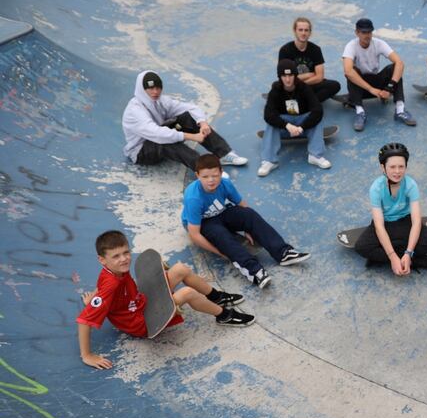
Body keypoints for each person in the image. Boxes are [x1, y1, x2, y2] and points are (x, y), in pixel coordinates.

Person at [77, 230, 255, 370]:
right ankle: (224, 315)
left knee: (179, 269)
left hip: (140, 301)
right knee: (186, 293)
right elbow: (85, 320)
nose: (124, 259)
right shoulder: (111, 285)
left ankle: (217, 297)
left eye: (126, 252)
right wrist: (87, 355)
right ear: (102, 260)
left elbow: (104, 289)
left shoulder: (113, 271)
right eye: (116, 256)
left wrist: (95, 300)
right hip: (140, 322)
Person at [182, 154, 310, 288]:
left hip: (221, 212)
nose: (211, 180)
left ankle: (283, 253)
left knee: (249, 214)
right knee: (221, 234)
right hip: (203, 223)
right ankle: (254, 271)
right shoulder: (193, 198)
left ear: (221, 172)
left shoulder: (225, 184)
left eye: (215, 175)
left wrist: (247, 228)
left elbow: (243, 205)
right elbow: (194, 235)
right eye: (205, 177)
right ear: (197, 176)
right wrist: (221, 253)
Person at [122, 70, 248, 171]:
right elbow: (157, 134)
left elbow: (190, 108)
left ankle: (224, 154)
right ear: (141, 89)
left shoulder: (161, 101)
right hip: (141, 151)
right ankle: (205, 170)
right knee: (164, 140)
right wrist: (191, 136)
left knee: (187, 117)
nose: (155, 92)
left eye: (158, 88)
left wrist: (202, 123)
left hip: (158, 137)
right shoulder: (135, 111)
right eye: (150, 89)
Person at [354, 143, 427, 274]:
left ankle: (389, 259)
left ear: (406, 166)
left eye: (401, 166)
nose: (397, 171)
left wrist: (408, 253)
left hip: (405, 221)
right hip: (385, 223)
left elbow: (416, 222)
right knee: (361, 247)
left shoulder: (411, 185)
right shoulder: (376, 188)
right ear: (383, 167)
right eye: (392, 167)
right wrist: (392, 256)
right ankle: (412, 260)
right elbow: (379, 226)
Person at [259, 59, 331, 177]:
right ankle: (269, 161)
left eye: (290, 75)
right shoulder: (275, 90)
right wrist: (287, 126)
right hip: (286, 128)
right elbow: (268, 114)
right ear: (279, 76)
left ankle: (315, 155)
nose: (287, 79)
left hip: (303, 127)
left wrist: (302, 127)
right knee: (272, 121)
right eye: (284, 76)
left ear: (295, 75)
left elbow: (317, 110)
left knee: (317, 117)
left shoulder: (304, 88)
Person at [342, 18, 416, 131]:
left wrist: (389, 87)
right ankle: (360, 112)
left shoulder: (379, 43)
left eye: (369, 32)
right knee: (351, 72)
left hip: (377, 83)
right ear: (357, 32)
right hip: (361, 87)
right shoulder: (351, 46)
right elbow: (347, 70)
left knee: (395, 67)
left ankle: (400, 110)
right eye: (363, 32)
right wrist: (371, 89)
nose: (367, 35)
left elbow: (399, 63)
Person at [278, 17, 341, 103]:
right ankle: (307, 100)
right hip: (292, 86)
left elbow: (319, 77)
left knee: (335, 85)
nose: (303, 33)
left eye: (306, 30)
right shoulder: (285, 50)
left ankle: (306, 103)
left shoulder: (316, 49)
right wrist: (308, 74)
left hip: (310, 83)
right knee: (279, 86)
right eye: (300, 30)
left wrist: (302, 84)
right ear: (295, 31)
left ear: (310, 32)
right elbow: (285, 77)